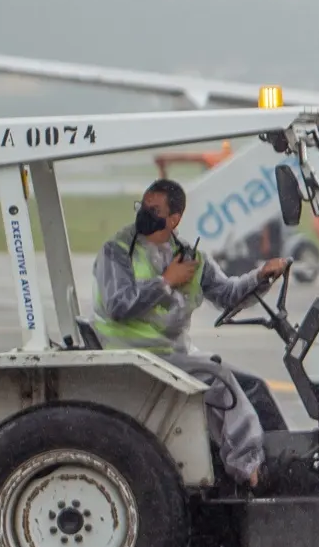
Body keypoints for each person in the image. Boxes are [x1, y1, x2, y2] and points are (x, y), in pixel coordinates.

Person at [92, 179, 289, 488]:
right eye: (143, 207)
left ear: (175, 218)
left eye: (154, 209)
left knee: (254, 386)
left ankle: (275, 459)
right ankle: (248, 471)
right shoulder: (117, 251)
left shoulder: (191, 259)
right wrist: (165, 282)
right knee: (220, 380)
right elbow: (118, 304)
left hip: (171, 352)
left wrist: (261, 277)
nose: (145, 214)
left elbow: (227, 293)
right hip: (132, 352)